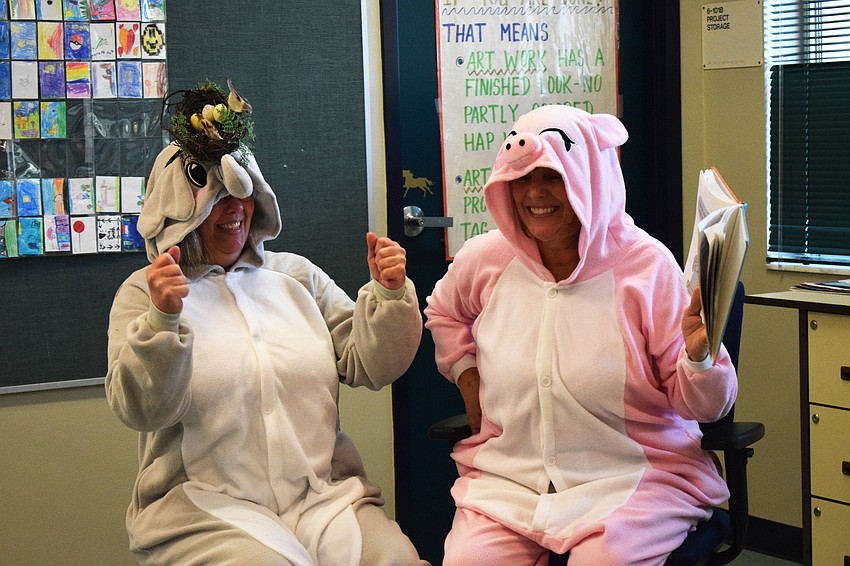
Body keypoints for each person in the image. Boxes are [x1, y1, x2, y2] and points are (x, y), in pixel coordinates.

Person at [105, 81, 427, 566]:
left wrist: (388, 294)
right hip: (209, 509)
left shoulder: (297, 277)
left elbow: (369, 364)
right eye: (216, 199)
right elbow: (140, 409)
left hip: (320, 496)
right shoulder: (146, 293)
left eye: (244, 194)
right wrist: (163, 323)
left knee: (397, 559)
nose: (235, 210)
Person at [424, 105, 738, 566]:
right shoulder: (486, 259)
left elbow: (708, 407)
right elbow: (444, 312)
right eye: (521, 178)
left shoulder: (646, 266)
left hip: (633, 479)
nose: (534, 193)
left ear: (588, 176)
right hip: (513, 479)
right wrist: (466, 375)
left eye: (552, 175)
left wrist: (698, 358)